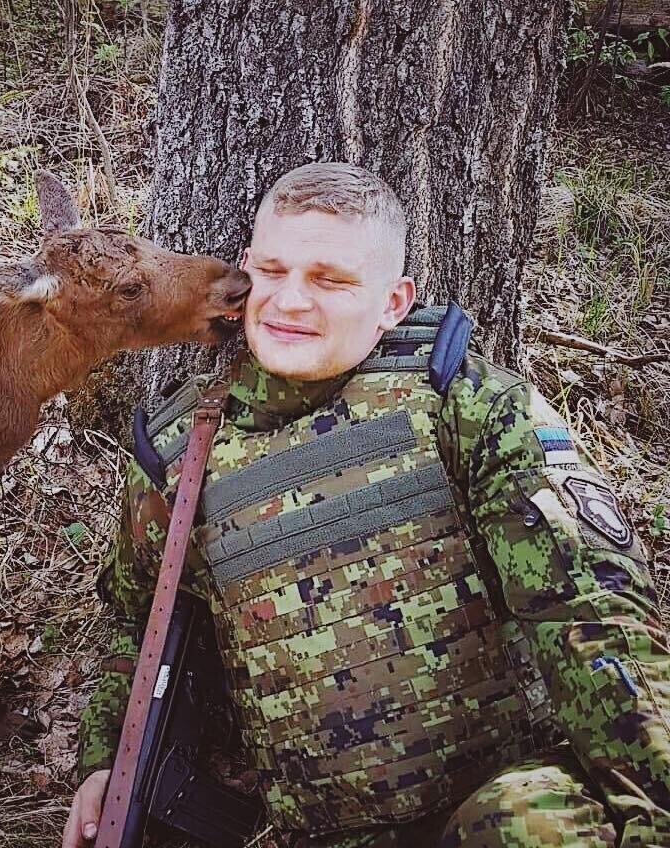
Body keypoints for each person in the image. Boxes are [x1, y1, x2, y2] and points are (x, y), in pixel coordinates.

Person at [62, 163, 670, 848]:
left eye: (331, 280)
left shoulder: (469, 407)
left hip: (499, 809)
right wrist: (107, 763)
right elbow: (138, 624)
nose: (290, 301)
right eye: (273, 271)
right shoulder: (179, 456)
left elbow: (593, 619)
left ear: (393, 302)